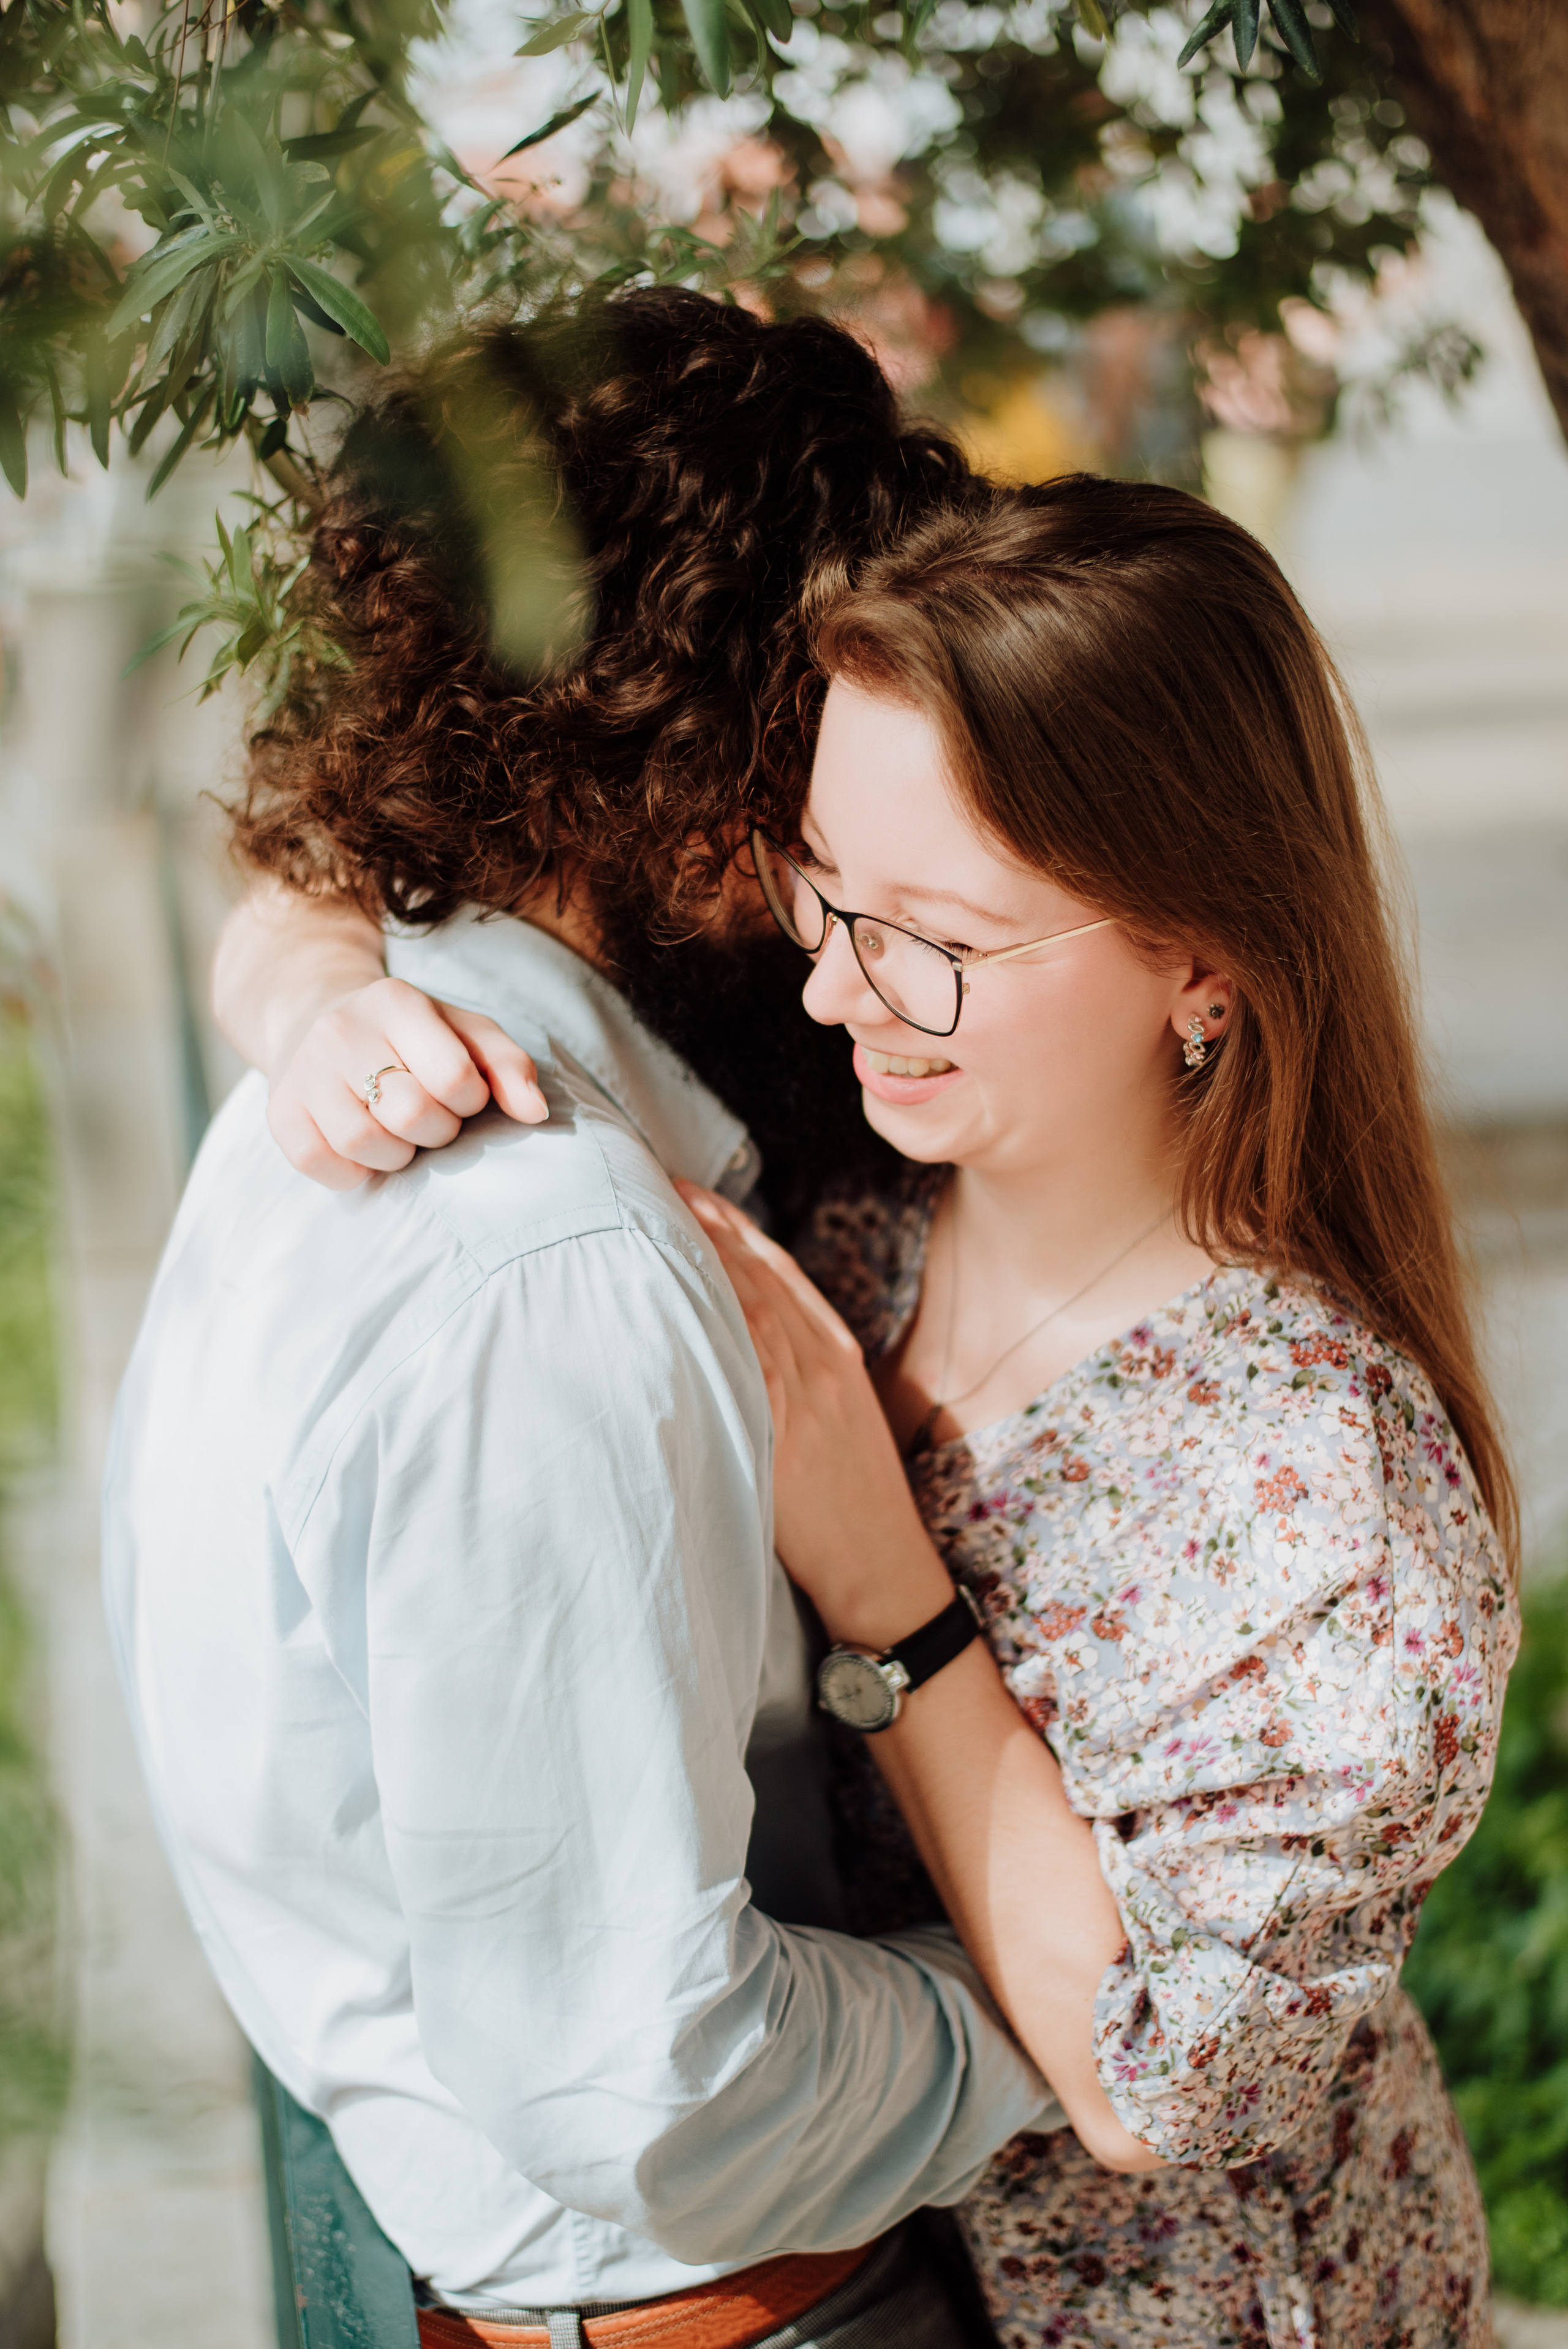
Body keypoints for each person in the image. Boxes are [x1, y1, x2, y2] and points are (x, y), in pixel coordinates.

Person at [241, 475, 1519, 2348]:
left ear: (1203, 961)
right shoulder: (858, 1175)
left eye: (933, 935)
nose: (838, 982)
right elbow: (337, 820)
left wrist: (888, 1586)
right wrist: (316, 1003)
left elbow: (1162, 2081)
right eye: (821, 884)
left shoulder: (1327, 1500)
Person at [103, 291, 1064, 2349]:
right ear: (724, 777)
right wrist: (1056, 2007)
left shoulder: (362, 1082)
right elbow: (650, 2092)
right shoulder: (545, 1262)